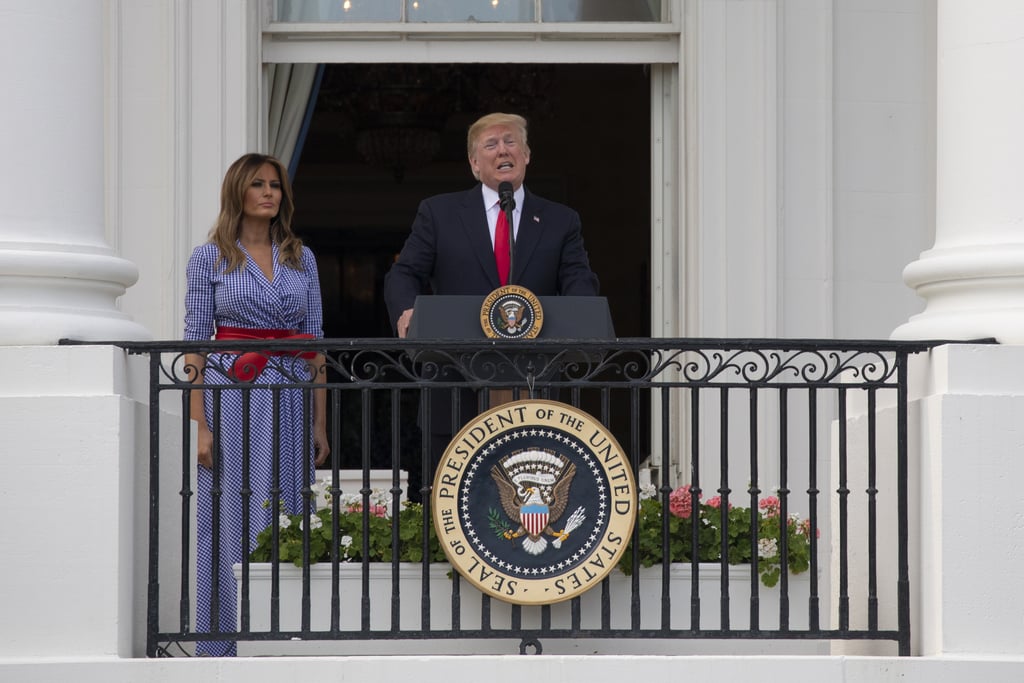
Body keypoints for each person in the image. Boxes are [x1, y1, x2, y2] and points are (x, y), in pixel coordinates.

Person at [383, 112, 599, 500]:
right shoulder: (439, 213)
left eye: (511, 141)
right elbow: (404, 274)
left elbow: (578, 279)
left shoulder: (560, 220)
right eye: (491, 144)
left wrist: (580, 315)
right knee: (452, 500)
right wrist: (406, 310)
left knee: (531, 499)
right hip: (454, 384)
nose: (503, 149)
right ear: (473, 163)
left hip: (534, 386)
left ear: (527, 154)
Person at [183, 153, 329, 657]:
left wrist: (321, 424)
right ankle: (219, 642)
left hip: (290, 394)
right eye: (258, 185)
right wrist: (198, 426)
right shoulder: (209, 259)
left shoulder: (300, 257)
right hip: (232, 394)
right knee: (228, 513)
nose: (269, 193)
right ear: (238, 192)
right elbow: (196, 346)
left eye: (276, 186)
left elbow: (316, 346)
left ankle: (284, 637)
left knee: (290, 506)